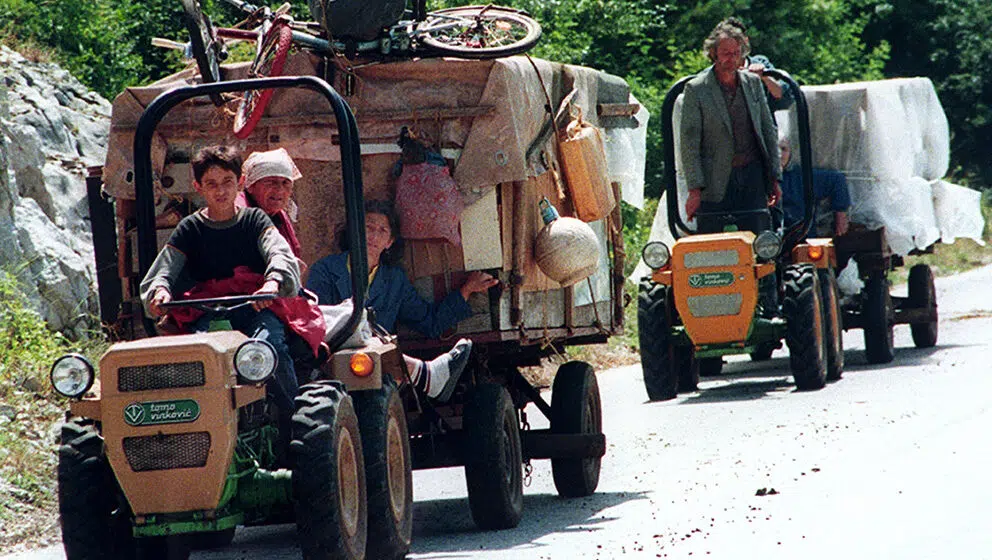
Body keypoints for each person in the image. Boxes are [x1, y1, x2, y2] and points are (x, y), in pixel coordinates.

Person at [140, 145, 312, 421]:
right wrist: (160, 289)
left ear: (240, 183)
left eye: (227, 182)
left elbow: (278, 252)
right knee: (200, 361)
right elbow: (165, 268)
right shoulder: (189, 228)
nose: (220, 191)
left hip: (256, 309)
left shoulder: (255, 220)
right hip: (208, 313)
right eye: (211, 184)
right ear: (198, 187)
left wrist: (272, 282)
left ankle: (293, 422)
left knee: (270, 350)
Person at [307, 200, 499, 402]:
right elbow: (319, 322)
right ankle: (424, 374)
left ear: (389, 242)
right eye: (368, 227)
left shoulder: (395, 280)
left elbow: (429, 322)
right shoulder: (326, 270)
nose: (373, 235)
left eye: (382, 231)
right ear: (354, 231)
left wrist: (466, 291)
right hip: (335, 360)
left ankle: (425, 374)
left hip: (376, 374)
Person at [680, 17, 782, 234]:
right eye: (726, 53)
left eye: (736, 53)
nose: (731, 59)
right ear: (714, 53)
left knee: (761, 241)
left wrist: (774, 178)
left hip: (752, 175)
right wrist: (695, 189)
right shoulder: (696, 89)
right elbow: (689, 143)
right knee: (712, 245)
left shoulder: (753, 84)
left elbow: (767, 131)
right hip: (715, 181)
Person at [778, 136, 851, 237]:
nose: (779, 155)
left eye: (783, 149)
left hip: (801, 241)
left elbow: (837, 179)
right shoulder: (756, 179)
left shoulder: (801, 176)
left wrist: (840, 214)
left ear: (790, 152)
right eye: (774, 150)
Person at [238, 148, 303, 259]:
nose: (280, 190)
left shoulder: (279, 216)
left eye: (285, 183)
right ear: (250, 186)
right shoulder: (239, 216)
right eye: (271, 182)